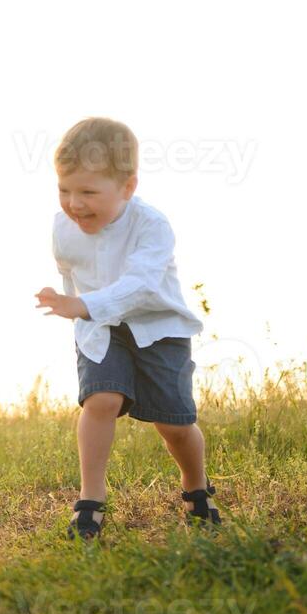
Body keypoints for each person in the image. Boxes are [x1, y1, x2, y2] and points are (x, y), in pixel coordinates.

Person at [34, 117, 221, 539]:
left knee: (174, 423)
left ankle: (196, 488)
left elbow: (139, 286)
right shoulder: (62, 228)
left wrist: (82, 304)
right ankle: (90, 501)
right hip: (100, 325)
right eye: (64, 189)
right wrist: (76, 308)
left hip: (158, 328)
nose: (74, 204)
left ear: (127, 188)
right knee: (100, 400)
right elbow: (72, 274)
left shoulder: (152, 226)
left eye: (87, 192)